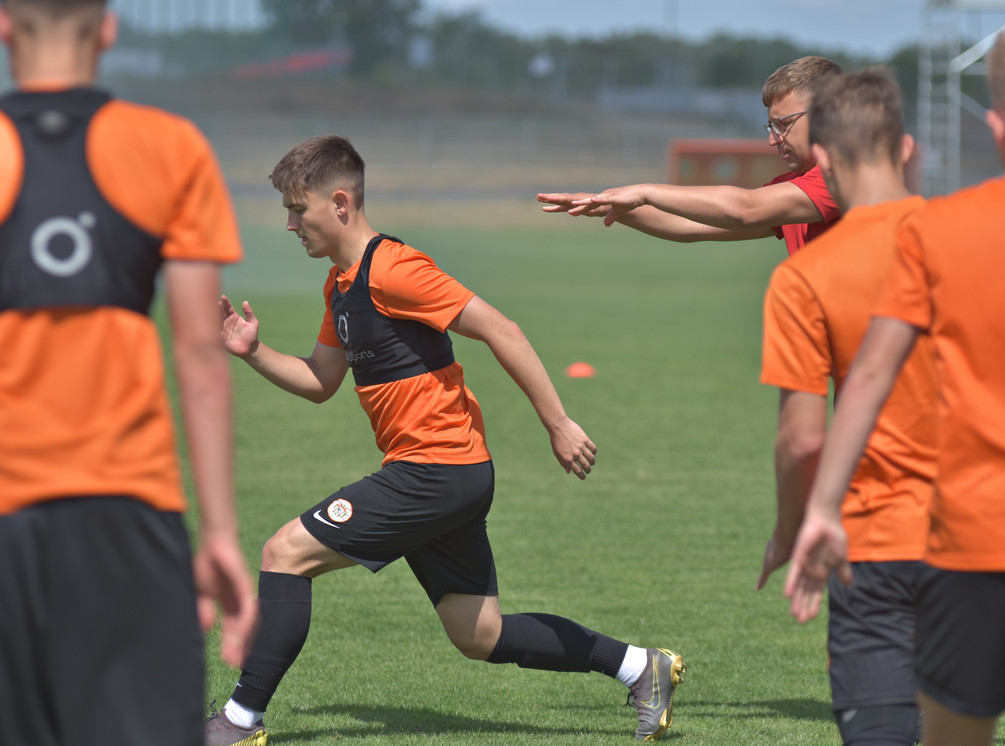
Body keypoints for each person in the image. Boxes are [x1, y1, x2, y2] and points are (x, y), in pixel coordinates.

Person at [204, 134, 685, 746]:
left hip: (434, 470)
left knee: (283, 553)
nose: (291, 223)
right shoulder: (341, 286)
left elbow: (500, 328)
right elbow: (321, 380)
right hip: (446, 474)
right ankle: (641, 668)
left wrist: (558, 422)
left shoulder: (396, 269)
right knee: (477, 635)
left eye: (299, 209)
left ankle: (239, 723)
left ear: (341, 203)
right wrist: (252, 352)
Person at [784, 28, 1005, 746]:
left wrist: (821, 507)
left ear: (995, 123)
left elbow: (871, 372)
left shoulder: (940, 230)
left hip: (971, 535)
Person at [0, 1, 257, 745]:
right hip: (127, 515)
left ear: (5, 26)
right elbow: (201, 357)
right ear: (107, 29)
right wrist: (220, 535)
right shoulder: (170, 147)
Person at [757, 66, 936, 746]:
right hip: (1000, 529)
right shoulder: (974, 239)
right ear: (908, 148)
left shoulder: (808, 279)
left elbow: (804, 439)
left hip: (879, 533)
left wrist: (799, 520)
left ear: (824, 158)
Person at [537, 56, 843, 256]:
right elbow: (688, 226)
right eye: (771, 126)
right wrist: (605, 203)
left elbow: (744, 209)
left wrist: (644, 191)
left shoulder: (844, 176)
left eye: (784, 125)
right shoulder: (799, 188)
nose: (773, 140)